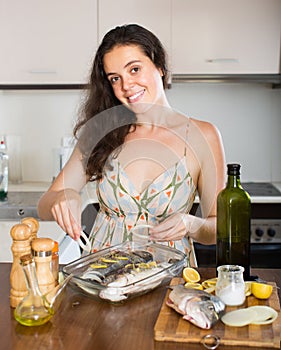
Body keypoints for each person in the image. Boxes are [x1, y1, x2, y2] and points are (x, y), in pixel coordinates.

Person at [37, 24, 225, 266]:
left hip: (169, 276)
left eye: (134, 69)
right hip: (103, 276)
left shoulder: (203, 135)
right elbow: (44, 204)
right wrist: (65, 195)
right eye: (115, 78)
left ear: (159, 67)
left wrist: (192, 224)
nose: (126, 86)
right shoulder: (101, 132)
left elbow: (218, 226)